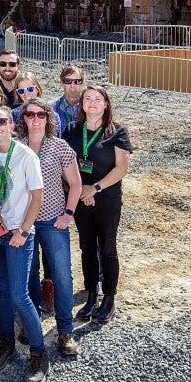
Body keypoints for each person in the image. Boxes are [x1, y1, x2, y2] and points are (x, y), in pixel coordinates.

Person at [0, 107, 49, 382]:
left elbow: (37, 197)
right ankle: (6, 340)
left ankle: (39, 353)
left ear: (11, 125)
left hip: (19, 234)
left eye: (2, 121)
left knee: (21, 294)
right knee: (2, 289)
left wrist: (22, 231)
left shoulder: (26, 156)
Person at [15, 97, 83, 356]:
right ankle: (32, 326)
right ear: (22, 119)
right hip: (25, 224)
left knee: (62, 276)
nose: (35, 119)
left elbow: (75, 184)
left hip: (54, 221)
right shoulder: (16, 147)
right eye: (29, 115)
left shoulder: (60, 147)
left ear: (48, 118)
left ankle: (65, 330)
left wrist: (68, 214)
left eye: (40, 115)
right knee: (29, 276)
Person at [63, 85, 131, 325]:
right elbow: (65, 164)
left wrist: (96, 188)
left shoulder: (117, 132)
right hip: (81, 198)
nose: (92, 103)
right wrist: (82, 191)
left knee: (107, 248)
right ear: (81, 104)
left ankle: (109, 299)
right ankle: (91, 295)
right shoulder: (72, 130)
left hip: (107, 198)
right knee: (87, 248)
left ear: (106, 104)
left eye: (97, 99)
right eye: (88, 98)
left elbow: (121, 167)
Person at [50, 66, 85, 138]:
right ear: (61, 83)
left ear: (83, 83)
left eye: (77, 81)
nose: (72, 86)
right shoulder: (51, 108)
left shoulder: (91, 107)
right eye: (68, 81)